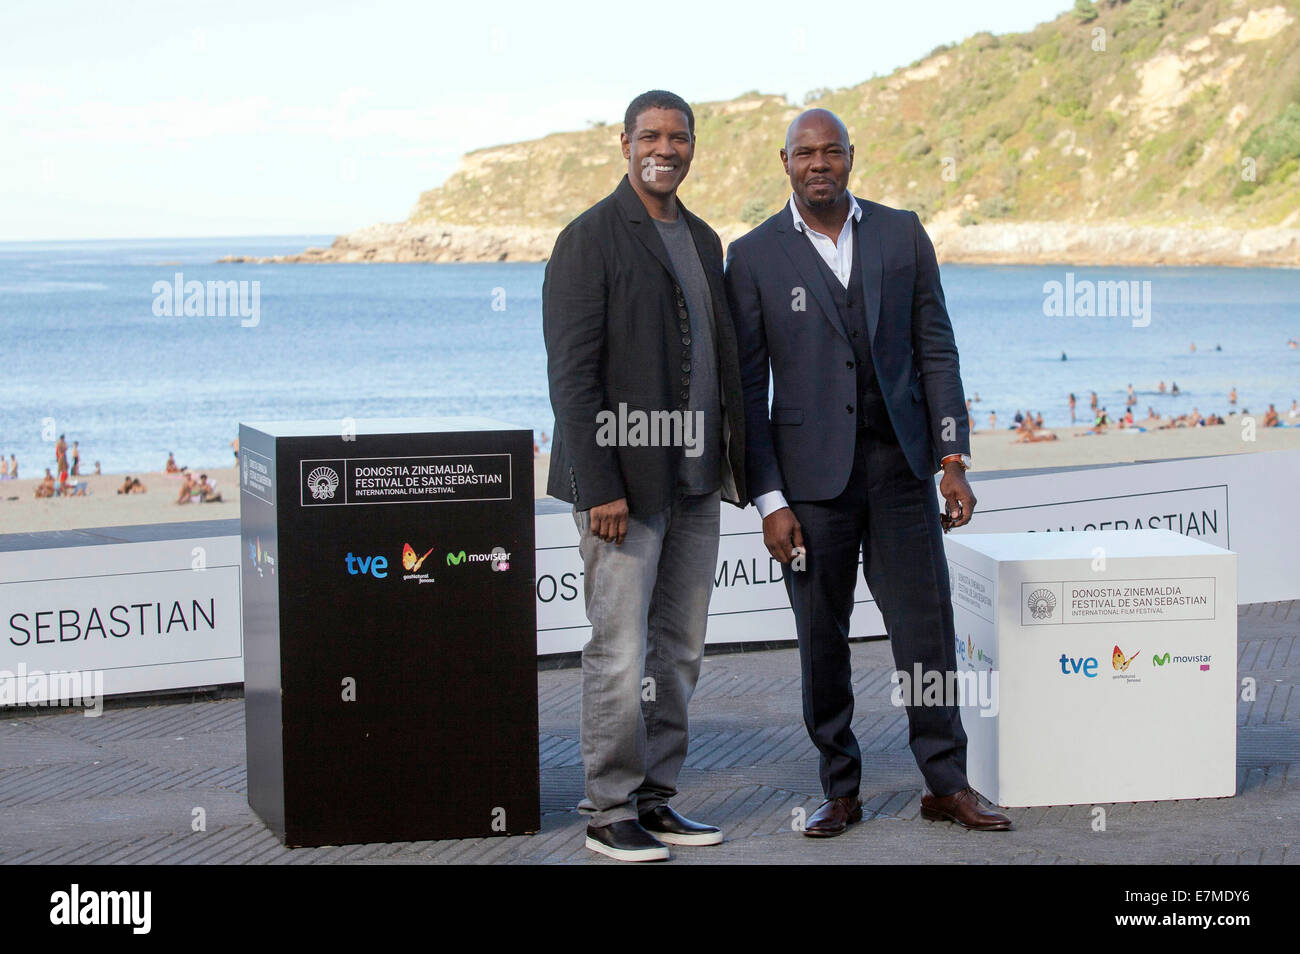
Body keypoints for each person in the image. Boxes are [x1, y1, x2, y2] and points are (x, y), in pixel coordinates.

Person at [724, 108, 1010, 838]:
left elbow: (936, 350)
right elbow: (746, 393)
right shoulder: (752, 257)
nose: (818, 164)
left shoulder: (900, 233)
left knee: (927, 633)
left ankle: (946, 782)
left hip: (901, 471)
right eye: (804, 154)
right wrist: (767, 500)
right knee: (821, 639)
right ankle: (840, 789)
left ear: (851, 157)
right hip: (808, 489)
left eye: (831, 152)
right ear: (783, 162)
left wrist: (953, 459)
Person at [542, 89, 748, 862]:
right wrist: (599, 485)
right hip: (621, 491)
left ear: (693, 147)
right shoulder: (589, 239)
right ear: (624, 143)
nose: (666, 148)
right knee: (620, 651)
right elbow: (572, 375)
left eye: (680, 137)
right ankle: (608, 810)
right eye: (651, 136)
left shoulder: (703, 238)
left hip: (697, 484)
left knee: (680, 652)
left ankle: (658, 801)